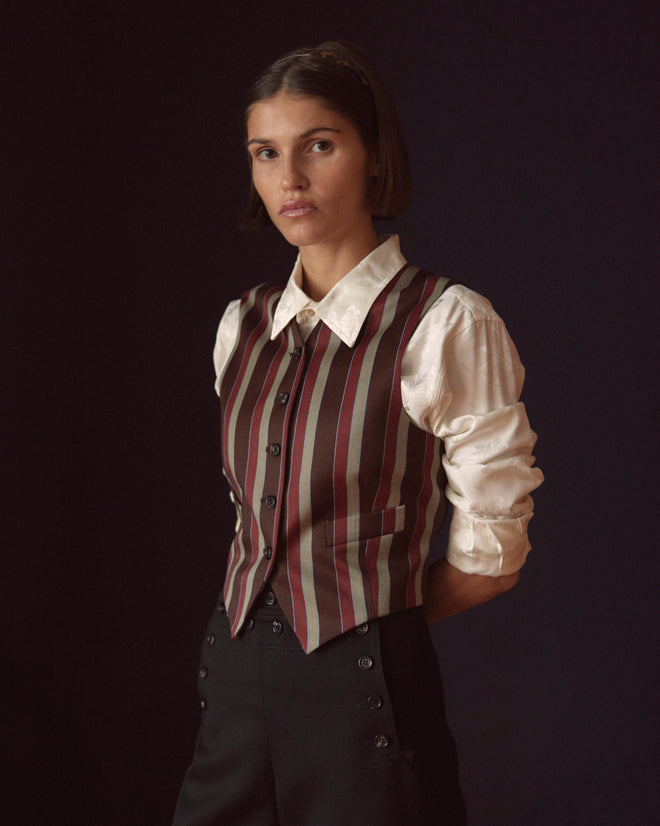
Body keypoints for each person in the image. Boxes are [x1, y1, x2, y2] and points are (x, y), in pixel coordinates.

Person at [173, 40, 543, 826]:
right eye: (265, 153)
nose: (289, 178)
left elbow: (492, 559)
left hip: (366, 698)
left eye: (319, 145)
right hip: (234, 692)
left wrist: (366, 615)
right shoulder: (240, 325)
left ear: (374, 157)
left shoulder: (444, 322)